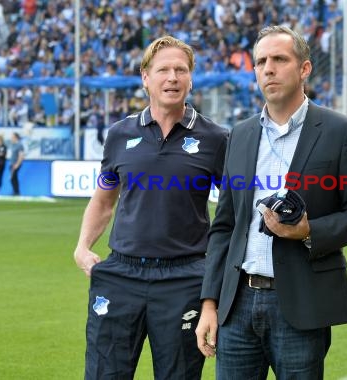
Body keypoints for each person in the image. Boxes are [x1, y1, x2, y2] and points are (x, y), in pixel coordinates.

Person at [195, 25, 347, 379]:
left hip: (300, 302)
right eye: (261, 61)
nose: (269, 68)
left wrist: (309, 231)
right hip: (237, 304)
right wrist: (209, 302)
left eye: (280, 59)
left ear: (304, 68)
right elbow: (224, 227)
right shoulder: (240, 134)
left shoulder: (341, 131)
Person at [73, 35, 228, 379]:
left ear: (190, 78)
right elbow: (103, 200)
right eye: (163, 70)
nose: (172, 77)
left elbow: (232, 212)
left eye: (181, 70)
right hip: (120, 276)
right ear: (146, 77)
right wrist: (83, 247)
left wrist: (214, 288)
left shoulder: (216, 139)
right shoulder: (118, 134)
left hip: (184, 279)